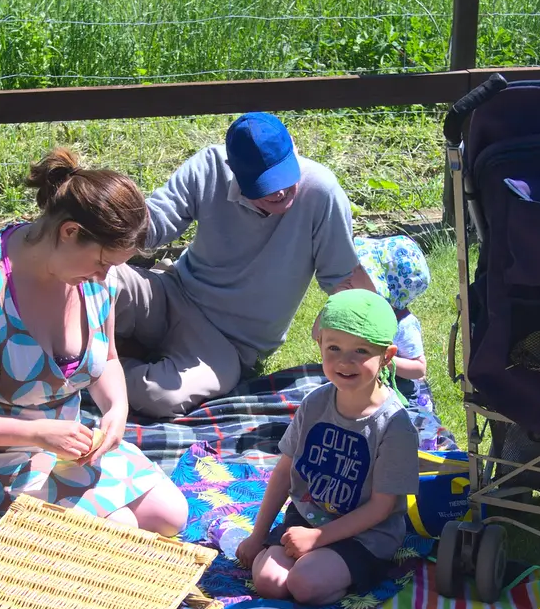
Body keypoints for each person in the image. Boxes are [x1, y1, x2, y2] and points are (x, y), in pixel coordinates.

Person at [0, 148, 188, 536]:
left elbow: (109, 360)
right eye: (102, 262)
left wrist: (116, 407)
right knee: (117, 527)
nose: (106, 276)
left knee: (170, 515)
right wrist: (35, 434)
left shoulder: (98, 279)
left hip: (55, 445)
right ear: (69, 232)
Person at [109, 112, 360, 418]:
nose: (280, 192)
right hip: (173, 292)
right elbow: (157, 221)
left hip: (227, 346)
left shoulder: (322, 193)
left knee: (161, 395)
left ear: (294, 150)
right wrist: (102, 227)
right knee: (96, 279)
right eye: (264, 186)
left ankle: (87, 371)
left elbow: (344, 280)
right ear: (234, 173)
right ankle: (72, 349)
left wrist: (371, 336)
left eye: (284, 176)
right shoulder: (210, 166)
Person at [235, 289, 421, 605]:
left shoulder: (394, 425)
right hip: (309, 516)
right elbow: (284, 472)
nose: (344, 362)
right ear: (319, 344)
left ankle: (359, 575)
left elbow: (381, 507)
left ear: (387, 356)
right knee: (268, 580)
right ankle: (316, 568)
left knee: (305, 585)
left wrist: (317, 540)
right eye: (333, 347)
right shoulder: (315, 403)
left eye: (361, 351)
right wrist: (257, 536)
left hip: (366, 536)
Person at [352, 234, 432, 409]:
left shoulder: (403, 324)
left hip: (398, 396)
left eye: (360, 269)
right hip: (362, 388)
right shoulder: (356, 311)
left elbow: (419, 369)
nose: (351, 271)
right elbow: (317, 334)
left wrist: (384, 360)